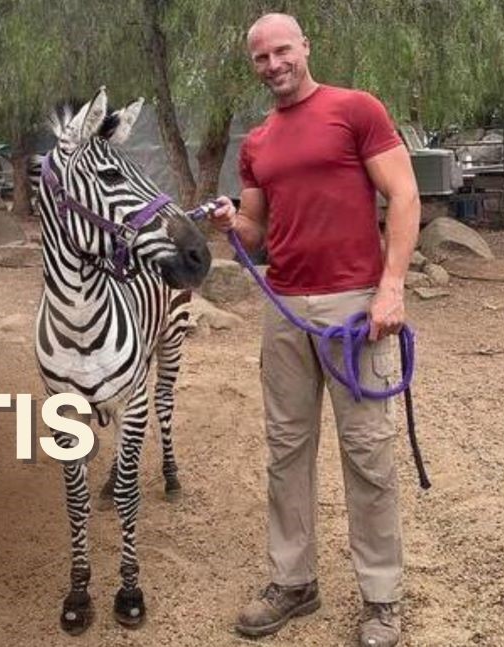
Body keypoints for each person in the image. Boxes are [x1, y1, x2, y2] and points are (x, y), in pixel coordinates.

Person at [208, 13, 420, 647]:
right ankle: (294, 581)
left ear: (305, 47)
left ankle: (382, 598)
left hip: (356, 309)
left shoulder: (355, 110)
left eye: (281, 51)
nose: (273, 65)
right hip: (286, 311)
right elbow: (256, 232)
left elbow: (405, 196)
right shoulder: (256, 142)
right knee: (286, 451)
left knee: (368, 456)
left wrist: (391, 286)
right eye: (260, 58)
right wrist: (228, 222)